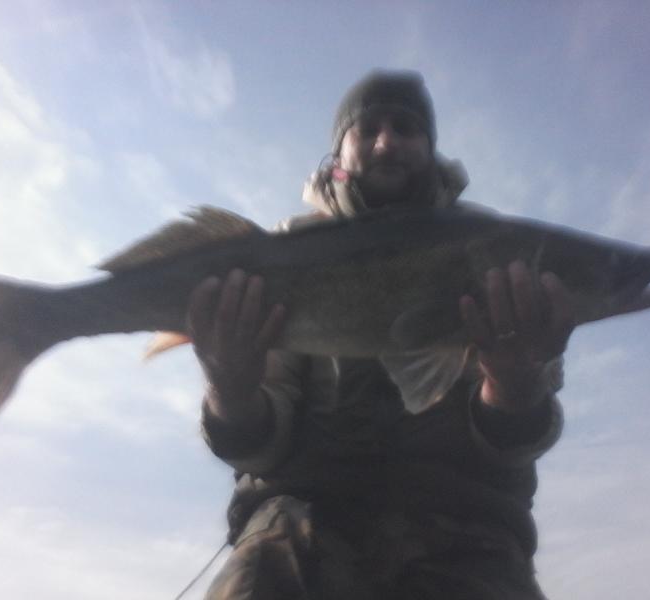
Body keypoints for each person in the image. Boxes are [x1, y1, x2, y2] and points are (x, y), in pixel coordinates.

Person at [187, 70, 575, 599]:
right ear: (338, 153)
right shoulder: (280, 252)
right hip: (300, 519)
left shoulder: (499, 254)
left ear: (431, 149)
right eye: (367, 128)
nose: (387, 142)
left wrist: (515, 385)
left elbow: (511, 447)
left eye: (406, 128)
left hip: (466, 521)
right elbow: (255, 451)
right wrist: (229, 388)